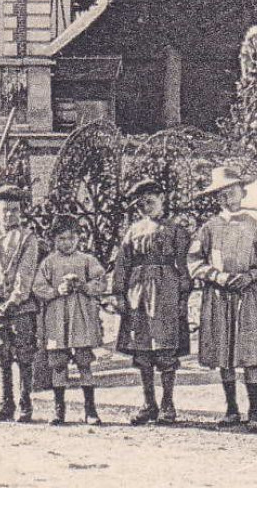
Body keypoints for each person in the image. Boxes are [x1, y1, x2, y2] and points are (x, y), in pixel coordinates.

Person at [188, 165, 257, 428]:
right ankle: (231, 409)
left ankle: (254, 410)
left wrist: (251, 276)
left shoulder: (255, 227)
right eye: (221, 194)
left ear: (243, 192)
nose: (228, 198)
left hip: (247, 296)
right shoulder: (209, 228)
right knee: (224, 353)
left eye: (232, 191)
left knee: (249, 353)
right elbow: (194, 262)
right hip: (219, 296)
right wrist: (218, 276)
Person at [111, 178, 192, 425]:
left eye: (150, 201)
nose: (146, 208)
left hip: (166, 292)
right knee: (143, 350)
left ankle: (168, 404)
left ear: (162, 199)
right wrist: (119, 294)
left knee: (165, 350)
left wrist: (183, 296)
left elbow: (185, 266)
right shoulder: (133, 232)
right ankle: (149, 404)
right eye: (140, 205)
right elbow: (122, 265)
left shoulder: (176, 231)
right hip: (138, 294)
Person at [0, 185, 42, 422]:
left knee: (24, 354)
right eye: (5, 210)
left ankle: (25, 402)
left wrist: (14, 300)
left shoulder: (28, 238)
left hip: (21, 307)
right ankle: (6, 402)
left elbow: (26, 273)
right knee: (1, 354)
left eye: (15, 210)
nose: (10, 215)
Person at [32, 217, 107, 426]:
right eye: (62, 238)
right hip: (58, 317)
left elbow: (101, 281)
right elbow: (38, 287)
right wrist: (56, 291)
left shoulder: (86, 260)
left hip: (81, 316)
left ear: (79, 238)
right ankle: (58, 409)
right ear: (54, 239)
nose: (67, 243)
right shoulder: (49, 262)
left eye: (72, 238)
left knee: (84, 361)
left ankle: (90, 409)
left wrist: (84, 286)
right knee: (58, 364)